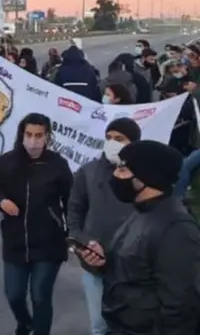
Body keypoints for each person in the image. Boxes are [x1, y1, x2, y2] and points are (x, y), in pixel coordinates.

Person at [76, 140, 200, 334]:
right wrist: (104, 261)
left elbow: (182, 307)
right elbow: (136, 269)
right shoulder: (139, 211)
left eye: (123, 169)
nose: (115, 175)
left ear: (147, 176)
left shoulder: (176, 230)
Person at [0, 112, 74, 335]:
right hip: (15, 240)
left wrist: (72, 232)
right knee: (14, 294)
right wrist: (1, 201)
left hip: (49, 243)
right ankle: (25, 323)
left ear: (47, 136)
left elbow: (71, 200)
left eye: (39, 135)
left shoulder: (58, 165)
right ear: (22, 134)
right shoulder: (6, 162)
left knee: (40, 295)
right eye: (29, 134)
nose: (34, 140)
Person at [67, 118, 141, 335]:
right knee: (99, 326)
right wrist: (84, 243)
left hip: (132, 269)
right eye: (108, 138)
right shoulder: (88, 172)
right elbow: (74, 214)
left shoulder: (143, 176)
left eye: (119, 139)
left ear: (133, 143)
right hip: (95, 267)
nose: (112, 143)